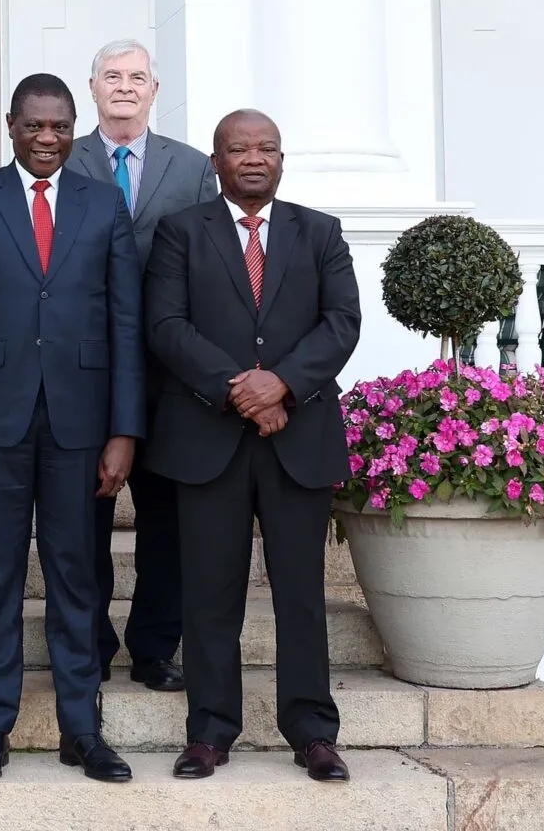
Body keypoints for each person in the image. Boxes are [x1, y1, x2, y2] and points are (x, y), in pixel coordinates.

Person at [0, 74, 142, 784]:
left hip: (82, 423)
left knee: (77, 576)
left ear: (73, 128)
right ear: (10, 126)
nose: (47, 139)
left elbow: (125, 324)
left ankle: (83, 727)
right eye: (34, 127)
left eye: (60, 127)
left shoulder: (104, 203)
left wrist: (124, 431)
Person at [142, 109, 360, 783]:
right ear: (217, 161)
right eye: (240, 149)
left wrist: (283, 385)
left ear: (283, 159)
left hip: (299, 436)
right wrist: (237, 388)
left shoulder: (319, 232)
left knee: (301, 594)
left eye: (267, 147)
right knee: (209, 594)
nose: (255, 158)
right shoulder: (181, 232)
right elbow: (165, 325)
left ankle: (312, 732)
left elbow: (342, 321)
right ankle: (209, 731)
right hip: (210, 437)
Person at [64, 39, 219, 693]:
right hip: (80, 369)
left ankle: (155, 647)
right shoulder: (59, 158)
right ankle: (90, 645)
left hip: (166, 373)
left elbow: (209, 267)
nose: (123, 86)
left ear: (154, 89)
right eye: (111, 77)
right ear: (92, 88)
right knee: (81, 517)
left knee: (166, 521)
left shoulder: (190, 168)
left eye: (136, 77)